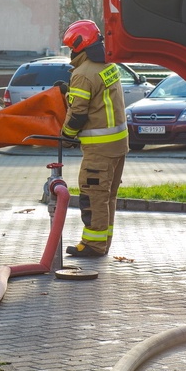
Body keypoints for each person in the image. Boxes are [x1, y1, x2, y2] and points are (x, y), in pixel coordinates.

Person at [58, 20, 129, 258]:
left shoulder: (83, 74)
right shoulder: (108, 65)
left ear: (79, 46)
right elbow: (98, 100)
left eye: (71, 48)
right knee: (108, 197)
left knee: (93, 196)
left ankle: (93, 245)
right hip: (118, 145)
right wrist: (68, 93)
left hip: (99, 149)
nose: (70, 52)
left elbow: (78, 114)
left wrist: (66, 137)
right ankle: (103, 242)